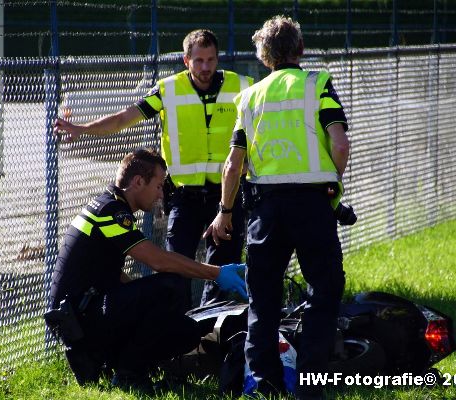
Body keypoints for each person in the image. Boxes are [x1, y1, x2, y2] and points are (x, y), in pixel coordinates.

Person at [54, 29, 253, 310]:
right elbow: (124, 118)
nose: (206, 67)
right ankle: (178, 332)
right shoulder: (168, 89)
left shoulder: (242, 86)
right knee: (174, 268)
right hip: (185, 196)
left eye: (211, 60)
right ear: (186, 61)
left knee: (223, 268)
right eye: (199, 61)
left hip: (226, 196)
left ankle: (208, 337)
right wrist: (82, 129)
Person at [205, 16, 350, 400]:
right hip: (312, 203)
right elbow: (340, 144)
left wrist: (225, 210)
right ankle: (311, 385)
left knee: (262, 295)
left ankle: (264, 383)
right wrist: (332, 184)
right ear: (300, 50)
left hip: (265, 209)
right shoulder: (316, 84)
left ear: (264, 56)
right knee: (325, 288)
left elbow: (233, 164)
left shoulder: (249, 97)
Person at [47, 148, 246, 393]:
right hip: (80, 323)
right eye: (159, 185)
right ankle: (128, 374)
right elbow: (158, 261)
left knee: (186, 331)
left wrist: (144, 303)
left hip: (87, 314)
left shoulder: (111, 203)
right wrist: (217, 273)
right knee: (169, 286)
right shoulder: (110, 211)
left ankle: (127, 366)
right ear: (138, 182)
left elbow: (110, 272)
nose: (161, 194)